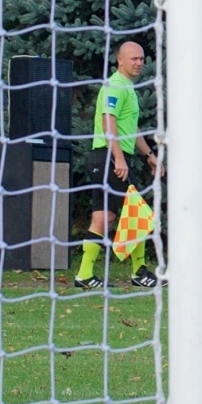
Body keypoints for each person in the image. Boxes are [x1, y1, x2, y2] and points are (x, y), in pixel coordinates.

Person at [74, 40, 161, 289]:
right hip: (108, 157)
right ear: (119, 60)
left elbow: (131, 130)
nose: (139, 63)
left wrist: (148, 156)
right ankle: (138, 272)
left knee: (107, 217)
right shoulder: (115, 86)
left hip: (110, 157)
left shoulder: (128, 88)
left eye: (142, 59)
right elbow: (107, 122)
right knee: (138, 213)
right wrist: (119, 158)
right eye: (133, 58)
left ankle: (84, 275)